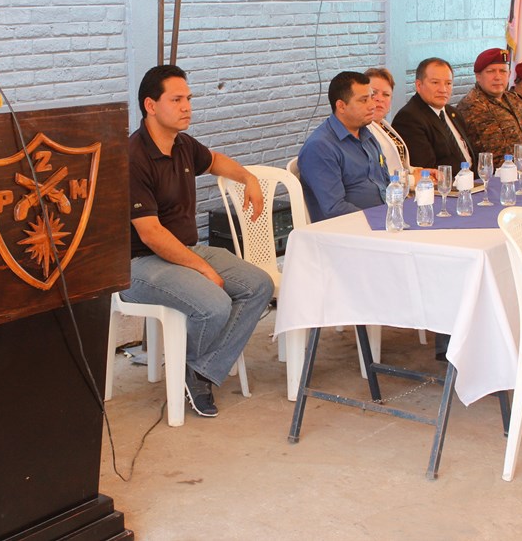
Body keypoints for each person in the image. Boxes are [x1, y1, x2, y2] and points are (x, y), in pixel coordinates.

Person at [121, 65, 274, 418]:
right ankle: (197, 371)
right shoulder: (133, 157)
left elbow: (215, 161)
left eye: (188, 98)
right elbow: (151, 234)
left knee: (258, 285)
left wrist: (247, 176)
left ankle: (199, 369)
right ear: (150, 105)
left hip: (185, 250)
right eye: (176, 99)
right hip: (140, 263)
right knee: (215, 303)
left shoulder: (183, 145)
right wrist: (203, 268)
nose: (187, 106)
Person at [297, 71, 390, 222]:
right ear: (341, 106)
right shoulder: (320, 147)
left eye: (371, 98)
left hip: (383, 221)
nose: (373, 105)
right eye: (363, 100)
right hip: (350, 231)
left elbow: (386, 183)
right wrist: (379, 219)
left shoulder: (366, 134)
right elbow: (335, 209)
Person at [392, 57, 477, 177]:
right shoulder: (409, 118)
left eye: (448, 83)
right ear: (419, 85)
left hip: (473, 184)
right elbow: (426, 169)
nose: (443, 89)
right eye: (435, 83)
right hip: (444, 189)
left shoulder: (453, 113)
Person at [456, 48, 522, 167]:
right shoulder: (473, 105)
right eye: (491, 71)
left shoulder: (514, 99)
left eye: (503, 71)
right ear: (478, 76)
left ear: (509, 75)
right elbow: (496, 157)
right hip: (502, 177)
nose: (497, 77)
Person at [364, 67, 431, 185]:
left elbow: (398, 163)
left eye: (386, 94)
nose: (380, 99)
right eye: (373, 93)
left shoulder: (383, 125)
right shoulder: (363, 129)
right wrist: (412, 179)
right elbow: (377, 176)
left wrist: (421, 172)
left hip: (403, 192)